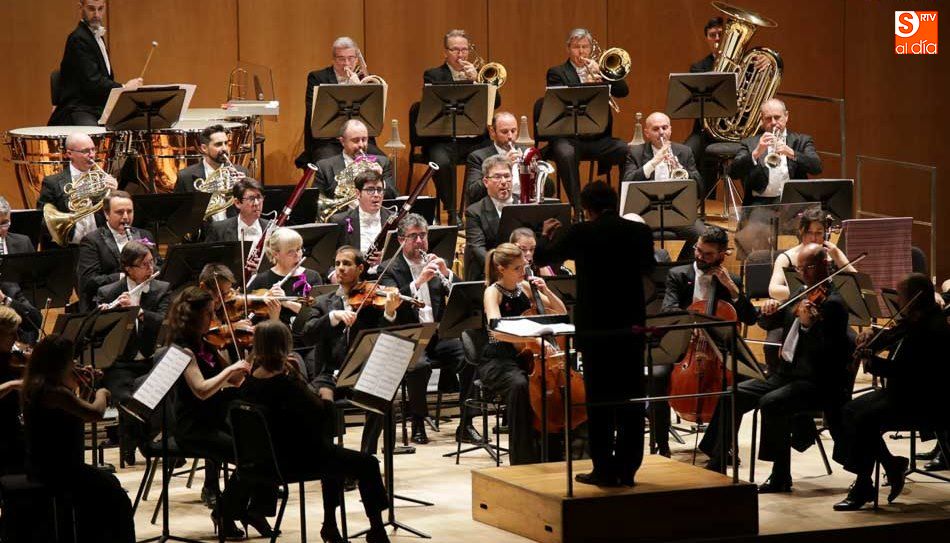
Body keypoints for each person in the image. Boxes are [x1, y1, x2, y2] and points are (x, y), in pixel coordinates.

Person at [699, 243, 851, 493]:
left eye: (806, 268)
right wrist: (768, 312)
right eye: (798, 268)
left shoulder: (834, 303)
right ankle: (717, 461)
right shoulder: (802, 290)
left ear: (823, 265)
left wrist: (808, 327)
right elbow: (766, 319)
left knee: (772, 403)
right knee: (734, 392)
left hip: (816, 381)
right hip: (786, 374)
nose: (801, 273)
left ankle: (780, 475)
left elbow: (831, 354)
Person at [535, 181, 655, 486]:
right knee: (630, 399)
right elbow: (649, 271)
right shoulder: (639, 232)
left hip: (597, 328)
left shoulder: (581, 232)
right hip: (631, 326)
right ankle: (628, 470)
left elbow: (543, 259)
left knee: (599, 401)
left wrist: (546, 234)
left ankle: (603, 470)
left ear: (586, 208)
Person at [240, 320, 391, 543]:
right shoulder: (286, 385)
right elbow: (324, 419)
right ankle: (376, 531)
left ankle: (330, 525)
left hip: (269, 459)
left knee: (332, 455)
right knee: (367, 464)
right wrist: (327, 396)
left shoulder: (250, 382)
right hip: (296, 460)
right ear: (283, 346)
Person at [832, 273, 950, 510]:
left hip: (925, 401)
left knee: (864, 419)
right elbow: (892, 335)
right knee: (846, 410)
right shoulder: (914, 321)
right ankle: (889, 465)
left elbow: (909, 373)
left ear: (917, 298)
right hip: (903, 394)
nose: (898, 302)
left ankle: (865, 484)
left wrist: (872, 363)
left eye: (902, 296)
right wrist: (871, 337)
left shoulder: (933, 329)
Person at [163, 286, 271, 539]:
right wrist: (229, 370)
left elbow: (234, 382)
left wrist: (257, 359)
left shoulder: (205, 345)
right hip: (193, 428)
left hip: (214, 420)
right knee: (251, 458)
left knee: (264, 449)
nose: (213, 319)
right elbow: (201, 389)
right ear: (194, 316)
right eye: (209, 313)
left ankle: (252, 509)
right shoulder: (182, 350)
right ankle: (226, 512)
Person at [20, 334, 135, 542]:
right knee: (119, 499)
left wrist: (86, 387)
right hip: (56, 470)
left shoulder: (41, 385)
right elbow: (94, 413)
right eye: (71, 360)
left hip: (54, 465)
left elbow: (78, 412)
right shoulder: (52, 391)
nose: (74, 364)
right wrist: (101, 391)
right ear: (58, 363)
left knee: (111, 484)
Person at [656, 226, 758, 456]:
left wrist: (732, 291)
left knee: (740, 382)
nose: (700, 257)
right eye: (698, 250)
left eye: (708, 254)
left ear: (722, 254)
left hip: (718, 351)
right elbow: (668, 310)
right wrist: (690, 322)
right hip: (683, 346)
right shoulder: (679, 275)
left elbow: (750, 317)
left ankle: (723, 446)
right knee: (658, 376)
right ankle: (661, 445)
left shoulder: (729, 280)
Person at [299, 246, 411, 455]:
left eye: (347, 264)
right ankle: (332, 458)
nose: (340, 268)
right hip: (329, 374)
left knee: (383, 398)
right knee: (322, 401)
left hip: (362, 372)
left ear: (360, 268)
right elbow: (307, 333)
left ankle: (364, 457)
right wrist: (333, 317)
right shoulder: (324, 303)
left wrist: (388, 314)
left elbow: (386, 339)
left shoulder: (371, 302)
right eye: (338, 263)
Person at [378, 214, 465, 444]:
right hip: (408, 336)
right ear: (400, 240)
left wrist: (447, 273)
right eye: (413, 236)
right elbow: (392, 302)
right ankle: (418, 421)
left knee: (468, 355)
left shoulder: (435, 264)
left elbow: (461, 296)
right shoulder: (388, 269)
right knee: (419, 366)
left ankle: (466, 424)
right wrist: (418, 282)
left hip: (436, 334)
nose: (419, 241)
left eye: (423, 235)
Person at [482, 243, 567, 465]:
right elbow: (497, 331)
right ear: (501, 268)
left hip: (526, 357)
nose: (524, 272)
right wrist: (532, 338)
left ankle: (555, 450)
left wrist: (546, 290)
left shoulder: (526, 288)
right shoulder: (492, 292)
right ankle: (523, 458)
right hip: (498, 359)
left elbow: (561, 313)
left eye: (524, 267)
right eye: (518, 268)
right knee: (520, 386)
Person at [93, 241, 171, 464]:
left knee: (160, 396)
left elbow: (165, 322)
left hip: (150, 359)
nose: (151, 267)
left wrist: (140, 312)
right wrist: (113, 313)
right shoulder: (108, 293)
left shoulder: (161, 289)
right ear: (128, 268)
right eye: (144, 264)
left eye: (152, 262)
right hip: (120, 363)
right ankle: (142, 442)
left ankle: (141, 442)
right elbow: (98, 332)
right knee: (127, 401)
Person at [419, 29, 501, 225]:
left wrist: (477, 81)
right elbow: (434, 101)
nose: (461, 54)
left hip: (475, 138)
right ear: (445, 52)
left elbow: (496, 101)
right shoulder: (433, 74)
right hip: (442, 139)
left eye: (464, 50)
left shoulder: (479, 74)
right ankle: (452, 210)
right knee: (442, 161)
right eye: (455, 50)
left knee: (492, 158)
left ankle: (479, 210)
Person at [545, 28, 629, 216]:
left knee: (627, 150)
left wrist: (605, 75)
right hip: (569, 137)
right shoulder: (557, 72)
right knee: (565, 154)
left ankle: (619, 209)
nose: (581, 52)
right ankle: (579, 209)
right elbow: (560, 97)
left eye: (585, 47)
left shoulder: (600, 69)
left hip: (598, 138)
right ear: (568, 48)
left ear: (591, 49)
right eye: (576, 47)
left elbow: (623, 91)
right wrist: (589, 86)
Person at [621, 111, 705, 261]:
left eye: (665, 128)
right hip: (645, 214)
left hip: (678, 214)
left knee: (703, 236)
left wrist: (682, 170)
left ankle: (678, 268)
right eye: (656, 129)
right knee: (627, 231)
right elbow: (627, 181)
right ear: (647, 133)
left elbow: (699, 187)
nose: (661, 132)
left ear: (670, 129)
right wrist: (653, 162)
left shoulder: (684, 152)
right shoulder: (636, 152)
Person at [48, 0, 143, 126]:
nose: (97, 14)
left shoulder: (96, 36)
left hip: (96, 108)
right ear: (80, 8)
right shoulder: (78, 39)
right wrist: (124, 88)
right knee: (93, 138)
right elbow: (92, 81)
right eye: (91, 9)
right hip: (79, 108)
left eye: (101, 9)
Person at [297, 36, 386, 168]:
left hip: (359, 141)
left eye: (351, 58)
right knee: (330, 165)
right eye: (341, 59)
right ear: (333, 59)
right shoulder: (317, 77)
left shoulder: (365, 79)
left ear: (356, 59)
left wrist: (359, 89)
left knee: (382, 161)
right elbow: (313, 113)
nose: (346, 63)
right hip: (328, 142)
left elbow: (375, 115)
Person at [730, 98, 822, 207]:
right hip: (759, 204)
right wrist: (756, 153)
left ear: (786, 116)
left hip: (793, 203)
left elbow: (817, 167)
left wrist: (791, 153)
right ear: (762, 120)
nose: (773, 122)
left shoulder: (802, 141)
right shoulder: (749, 143)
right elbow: (733, 173)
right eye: (768, 118)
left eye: (777, 117)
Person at [76, 190, 156, 311]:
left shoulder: (144, 235)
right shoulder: (92, 241)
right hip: (108, 304)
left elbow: (158, 266)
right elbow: (88, 281)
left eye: (129, 211)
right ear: (106, 214)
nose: (125, 217)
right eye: (119, 212)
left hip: (144, 301)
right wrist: (124, 276)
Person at [245, 227, 324, 345]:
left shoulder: (313, 277)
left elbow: (317, 314)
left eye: (299, 249)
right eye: (291, 252)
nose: (297, 255)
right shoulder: (261, 280)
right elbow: (253, 323)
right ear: (276, 254)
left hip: (305, 341)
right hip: (274, 343)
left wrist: (286, 302)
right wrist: (268, 309)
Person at [36, 132, 116, 244]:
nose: (92, 155)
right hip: (68, 247)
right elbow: (43, 218)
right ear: (69, 153)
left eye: (93, 149)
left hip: (100, 245)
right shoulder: (52, 182)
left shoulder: (104, 180)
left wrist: (115, 194)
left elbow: (115, 216)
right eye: (85, 151)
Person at [768, 206, 854, 301]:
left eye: (818, 233)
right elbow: (773, 290)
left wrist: (838, 257)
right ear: (801, 231)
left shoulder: (833, 254)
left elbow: (859, 285)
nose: (813, 238)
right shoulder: (786, 258)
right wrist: (808, 291)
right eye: (809, 232)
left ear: (825, 233)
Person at [173, 124, 249, 221]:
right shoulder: (185, 177)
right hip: (204, 232)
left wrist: (245, 189)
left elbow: (250, 209)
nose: (225, 148)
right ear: (204, 148)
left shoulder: (241, 172)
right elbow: (178, 214)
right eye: (218, 144)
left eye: (226, 143)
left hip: (233, 231)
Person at [313, 119, 398, 201]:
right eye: (355, 140)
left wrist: (380, 179)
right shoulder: (325, 167)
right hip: (341, 214)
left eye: (364, 139)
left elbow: (393, 196)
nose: (361, 144)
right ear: (342, 141)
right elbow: (316, 201)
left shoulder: (382, 163)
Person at [329, 170, 392, 278]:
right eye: (370, 190)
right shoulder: (340, 221)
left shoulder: (394, 220)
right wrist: (333, 276)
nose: (376, 195)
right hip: (353, 280)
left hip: (386, 277)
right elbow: (328, 260)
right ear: (358, 193)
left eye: (379, 190)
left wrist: (386, 258)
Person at [464, 155, 515, 281]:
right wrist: (501, 268)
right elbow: (477, 248)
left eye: (507, 176)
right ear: (486, 182)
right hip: (490, 274)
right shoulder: (474, 212)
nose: (504, 181)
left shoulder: (523, 205)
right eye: (497, 177)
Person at [464, 111, 523, 205]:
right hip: (494, 209)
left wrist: (533, 172)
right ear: (492, 132)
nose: (510, 136)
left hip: (524, 206)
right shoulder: (478, 157)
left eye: (513, 131)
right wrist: (503, 164)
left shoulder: (526, 152)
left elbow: (549, 190)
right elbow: (472, 193)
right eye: (504, 132)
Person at [203, 177, 268, 244]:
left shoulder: (272, 229)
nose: (256, 203)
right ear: (237, 203)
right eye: (251, 198)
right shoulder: (218, 230)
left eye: (259, 197)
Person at [0, 307, 25, 475]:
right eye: (12, 334)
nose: (17, 339)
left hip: (11, 429)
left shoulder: (7, 358)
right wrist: (13, 385)